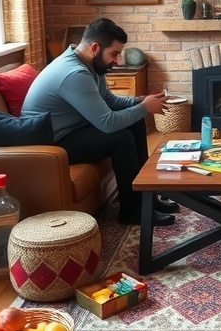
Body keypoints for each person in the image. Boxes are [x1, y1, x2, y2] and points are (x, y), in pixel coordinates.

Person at [22, 18, 176, 226]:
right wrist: (144, 108)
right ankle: (132, 211)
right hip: (51, 143)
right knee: (121, 138)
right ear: (95, 47)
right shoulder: (74, 74)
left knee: (134, 121)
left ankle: (146, 198)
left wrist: (138, 101)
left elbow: (108, 100)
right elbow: (108, 124)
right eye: (114, 53)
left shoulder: (89, 63)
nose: (118, 60)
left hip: (71, 129)